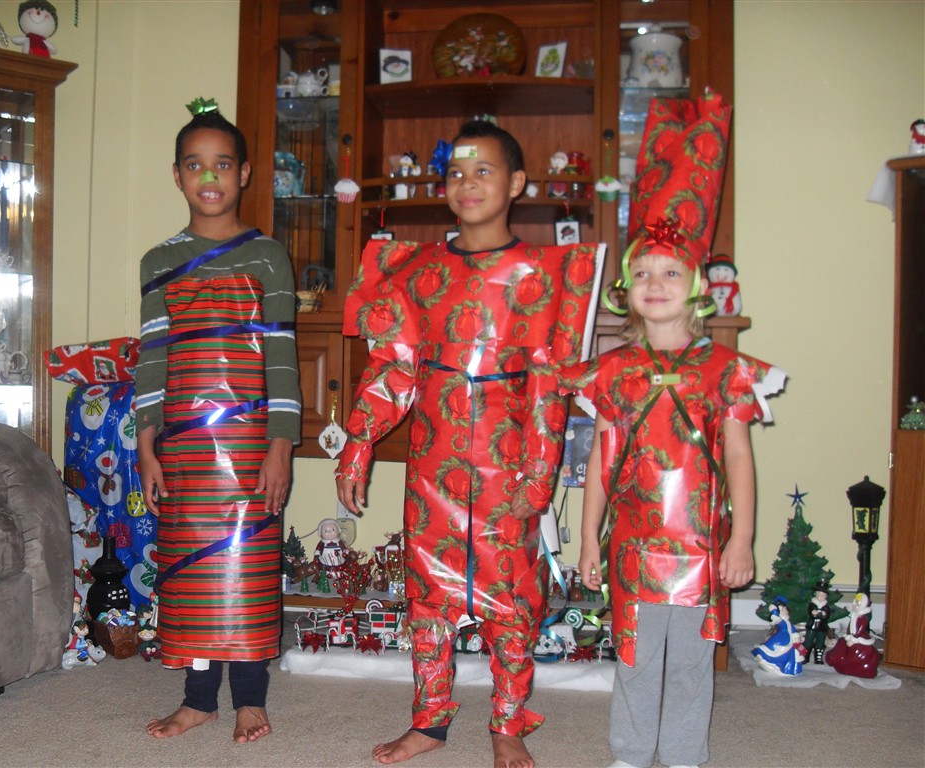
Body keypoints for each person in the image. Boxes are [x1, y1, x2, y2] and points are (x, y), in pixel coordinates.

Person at [336, 120, 603, 768]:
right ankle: (429, 721)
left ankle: (508, 723)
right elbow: (395, 364)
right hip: (433, 463)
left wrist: (539, 473)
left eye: (484, 170)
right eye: (456, 172)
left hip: (510, 463)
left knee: (512, 597)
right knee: (427, 593)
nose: (468, 183)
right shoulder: (419, 269)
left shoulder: (542, 275)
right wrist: (358, 444)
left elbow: (549, 384)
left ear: (517, 183)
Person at [566, 90, 785, 768]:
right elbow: (602, 458)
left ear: (697, 285)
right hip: (633, 547)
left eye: (671, 271)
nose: (654, 282)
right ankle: (632, 753)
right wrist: (588, 538)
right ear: (626, 288)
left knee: (690, 661)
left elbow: (739, 458)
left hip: (699, 548)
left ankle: (685, 755)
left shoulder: (724, 370)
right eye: (641, 273)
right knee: (633, 656)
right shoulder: (615, 371)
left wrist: (741, 539)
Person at [134, 98, 300, 745]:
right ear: (177, 174)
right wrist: (146, 447)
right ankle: (199, 698)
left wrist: (281, 446)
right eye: (195, 164)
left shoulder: (268, 257)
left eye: (223, 164)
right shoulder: (157, 262)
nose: (209, 176)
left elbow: (282, 359)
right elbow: (153, 358)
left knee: (246, 568)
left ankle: (250, 698)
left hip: (250, 442)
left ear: (245, 173)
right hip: (182, 446)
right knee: (191, 569)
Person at [825, 592, 880, 678]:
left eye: (858, 604)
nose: (855, 605)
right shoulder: (855, 615)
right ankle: (836, 660)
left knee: (855, 652)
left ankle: (852, 668)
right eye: (855, 603)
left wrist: (854, 639)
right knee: (841, 643)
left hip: (857, 638)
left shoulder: (862, 617)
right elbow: (850, 628)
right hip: (851, 636)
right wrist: (849, 636)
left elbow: (859, 630)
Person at [751, 597, 804, 676]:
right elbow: (776, 618)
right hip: (782, 639)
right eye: (784, 610)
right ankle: (769, 662)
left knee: (790, 655)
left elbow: (793, 630)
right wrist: (774, 610)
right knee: (774, 650)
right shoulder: (781, 620)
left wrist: (796, 636)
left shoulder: (788, 621)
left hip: (789, 639)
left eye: (786, 610)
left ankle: (786, 669)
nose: (786, 611)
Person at [804, 578, 832, 664]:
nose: (820, 596)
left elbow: (826, 615)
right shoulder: (812, 604)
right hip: (812, 626)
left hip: (822, 627)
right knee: (808, 641)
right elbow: (811, 612)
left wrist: (824, 614)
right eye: (819, 594)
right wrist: (814, 613)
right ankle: (805, 656)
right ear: (815, 594)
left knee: (820, 642)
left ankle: (818, 658)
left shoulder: (826, 606)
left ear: (826, 596)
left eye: (823, 595)